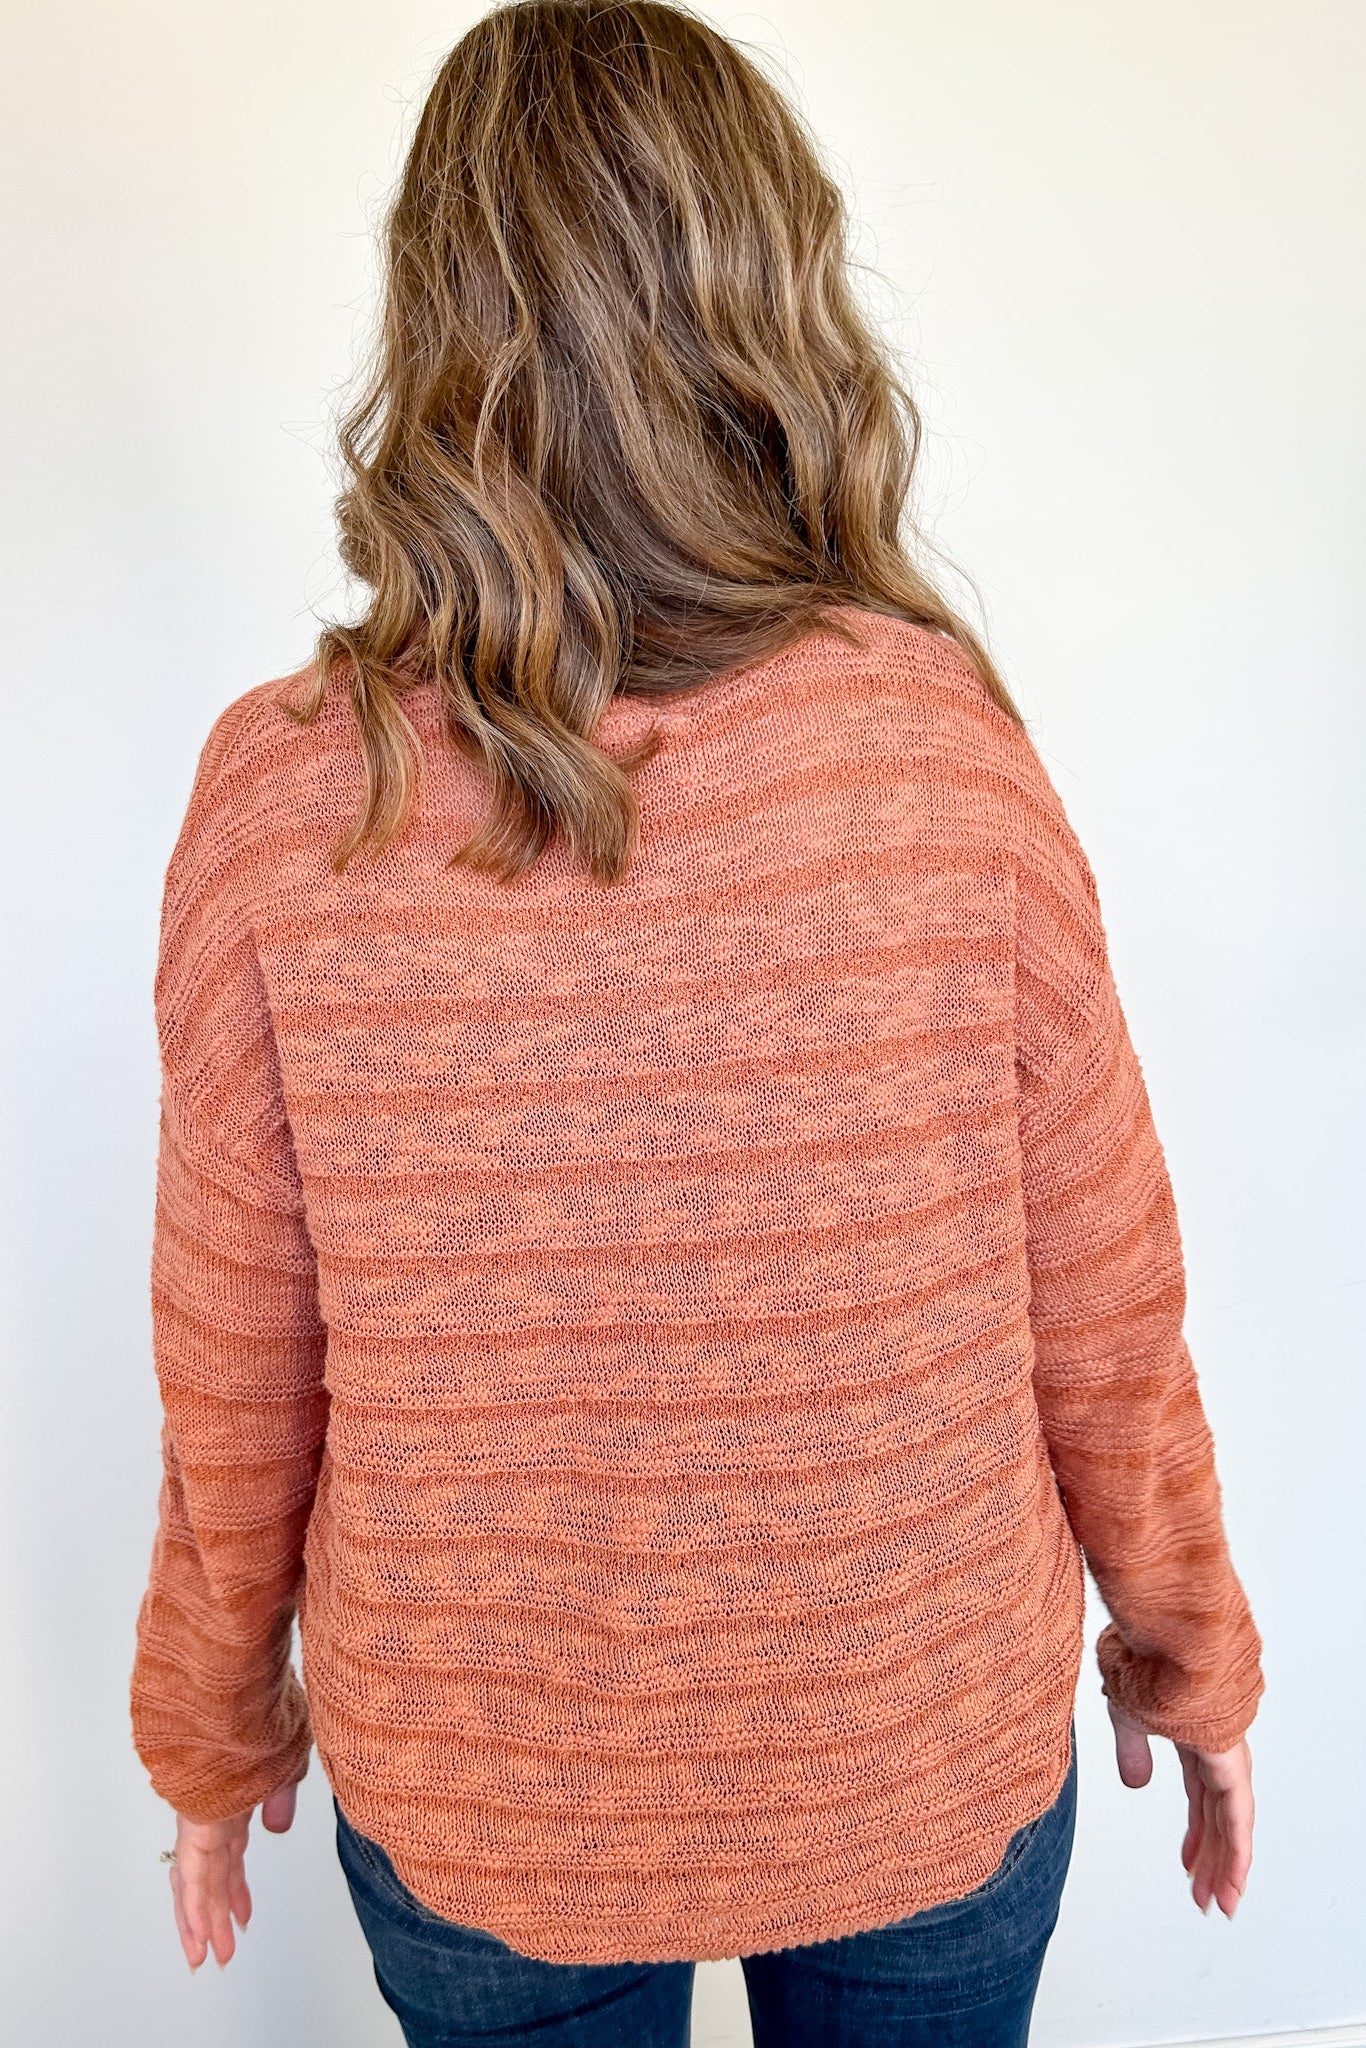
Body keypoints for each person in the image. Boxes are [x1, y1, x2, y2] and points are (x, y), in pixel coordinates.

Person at [128, 3, 1264, 2042]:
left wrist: (214, 1733)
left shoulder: (289, 794)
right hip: (912, 1738)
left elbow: (233, 1360)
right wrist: (1187, 1662)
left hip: (486, 1789)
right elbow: (1107, 1292)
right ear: (766, 300)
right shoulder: (936, 749)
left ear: (441, 316)